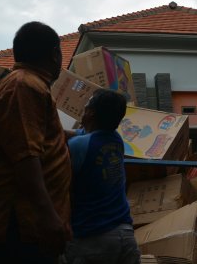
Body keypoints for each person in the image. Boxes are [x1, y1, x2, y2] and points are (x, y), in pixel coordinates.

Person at [0, 22, 71, 264]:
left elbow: (34, 138)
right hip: (17, 226)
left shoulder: (27, 85)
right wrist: (48, 216)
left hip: (25, 227)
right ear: (55, 55)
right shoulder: (23, 86)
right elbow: (25, 156)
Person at [64, 89, 140, 264]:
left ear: (91, 113)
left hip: (91, 239)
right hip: (125, 235)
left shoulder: (77, 147)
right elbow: (81, 135)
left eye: (86, 106)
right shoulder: (115, 140)